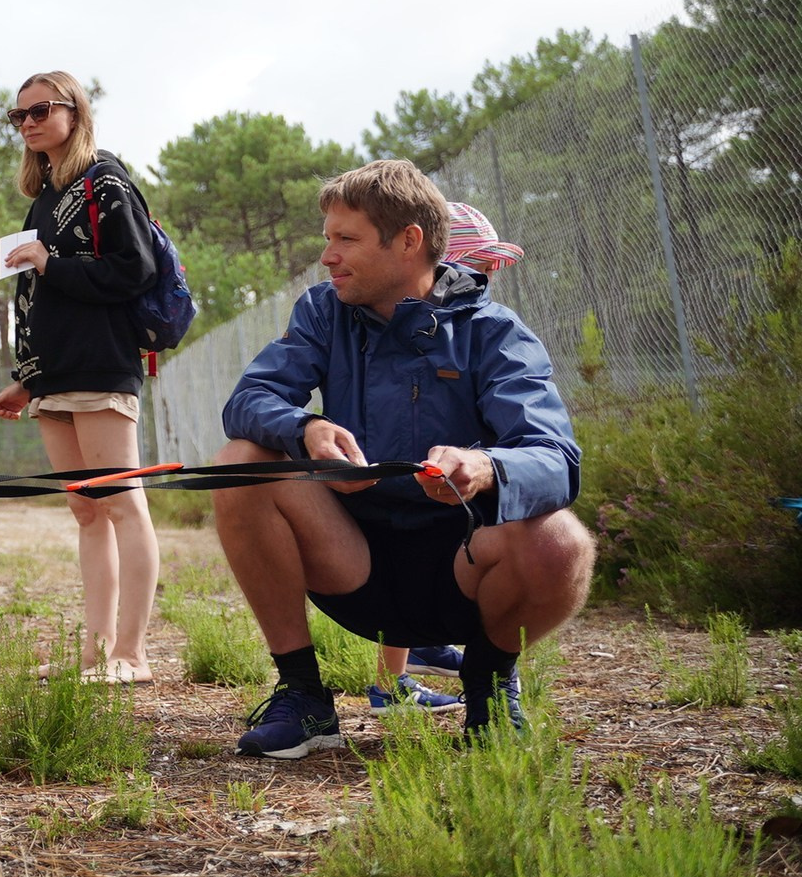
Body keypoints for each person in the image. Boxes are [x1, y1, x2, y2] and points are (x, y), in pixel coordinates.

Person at [215, 162, 592, 759]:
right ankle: (304, 696)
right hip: (354, 565)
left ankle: (490, 688)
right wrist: (306, 428)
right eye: (328, 238)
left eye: (346, 239)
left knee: (563, 541)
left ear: (409, 240)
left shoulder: (495, 333)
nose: (328, 256)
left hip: (464, 571)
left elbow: (558, 460)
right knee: (242, 461)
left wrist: (486, 468)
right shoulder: (323, 311)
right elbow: (249, 400)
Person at [0, 70, 163, 684]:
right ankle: (96, 653)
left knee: (123, 505)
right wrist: (27, 379)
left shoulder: (105, 180)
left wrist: (52, 262)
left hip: (101, 364)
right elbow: (40, 301)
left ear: (75, 112)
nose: (29, 123)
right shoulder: (44, 197)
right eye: (20, 115)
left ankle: (132, 655)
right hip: (54, 378)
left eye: (41, 110)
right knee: (87, 512)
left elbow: (135, 270)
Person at [366, 202, 528, 713]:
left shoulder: (483, 327)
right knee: (412, 545)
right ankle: (399, 675)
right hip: (414, 486)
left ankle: (411, 661)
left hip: (458, 478)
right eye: (476, 265)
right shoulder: (422, 326)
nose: (485, 277)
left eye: (488, 267)